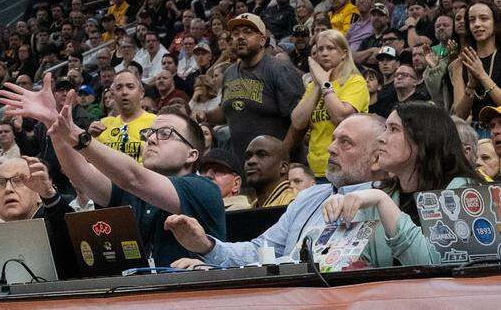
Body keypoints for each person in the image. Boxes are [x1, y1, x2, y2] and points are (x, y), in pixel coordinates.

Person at [0, 75, 225, 266]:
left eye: (166, 134)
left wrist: (78, 136)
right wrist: (52, 123)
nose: (153, 140)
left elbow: (133, 177)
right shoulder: (134, 191)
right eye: (149, 134)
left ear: (192, 154)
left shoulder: (204, 189)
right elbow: (80, 174)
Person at [166, 114, 388, 267]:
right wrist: (207, 246)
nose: (330, 148)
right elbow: (261, 252)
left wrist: (220, 270)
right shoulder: (309, 197)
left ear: (377, 158)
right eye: (333, 140)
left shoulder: (390, 204)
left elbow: (321, 264)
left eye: (345, 142)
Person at [323, 103, 485, 266]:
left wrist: (383, 202)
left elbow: (434, 269)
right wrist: (339, 226)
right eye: (385, 128)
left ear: (423, 139)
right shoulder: (380, 195)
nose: (381, 138)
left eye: (393, 129)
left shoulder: (465, 193)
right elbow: (351, 266)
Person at [200, 14, 303, 158]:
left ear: (262, 40)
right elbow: (228, 112)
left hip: (277, 165)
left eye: (248, 32)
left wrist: (283, 153)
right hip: (243, 164)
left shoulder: (279, 69)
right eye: (236, 34)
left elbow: (300, 121)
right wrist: (204, 114)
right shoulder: (229, 72)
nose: (240, 37)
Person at [291, 29, 368, 177]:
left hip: (344, 167)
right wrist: (318, 85)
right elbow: (298, 122)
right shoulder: (315, 85)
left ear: (344, 53)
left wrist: (324, 84)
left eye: (330, 48)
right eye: (320, 49)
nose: (324, 53)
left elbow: (340, 118)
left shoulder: (355, 82)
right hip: (316, 169)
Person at [0, 156, 78, 279]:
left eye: (18, 180)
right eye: (1, 183)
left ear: (38, 194)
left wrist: (49, 196)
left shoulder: (56, 226)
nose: (8, 189)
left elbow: (75, 250)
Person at [91, 69, 156, 162]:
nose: (124, 92)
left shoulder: (155, 123)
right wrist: (89, 140)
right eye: (119, 88)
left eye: (130, 87)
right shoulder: (102, 125)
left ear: (141, 93)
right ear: (113, 95)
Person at [450, 2, 501, 120]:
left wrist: (482, 75)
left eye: (484, 18)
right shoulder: (459, 64)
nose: (477, 24)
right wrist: (471, 87)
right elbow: (459, 116)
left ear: (496, 23)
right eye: (472, 20)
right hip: (474, 134)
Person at [243, 135, 296, 207]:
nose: (251, 161)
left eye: (261, 155)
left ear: (283, 167)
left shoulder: (295, 204)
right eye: (248, 156)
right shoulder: (250, 208)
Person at [197, 147, 252, 211]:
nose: (208, 175)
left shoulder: (246, 214)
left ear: (236, 184)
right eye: (203, 171)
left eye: (218, 170)